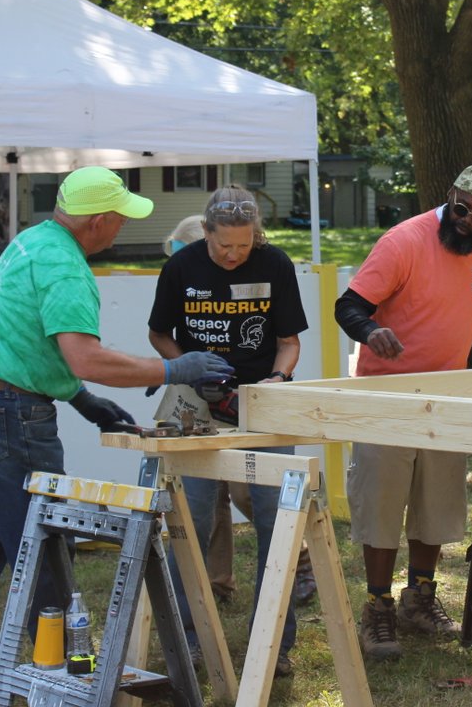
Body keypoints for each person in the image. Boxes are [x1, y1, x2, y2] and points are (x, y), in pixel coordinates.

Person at [0, 166, 231, 700]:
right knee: (45, 535)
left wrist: (80, 399)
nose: (121, 228)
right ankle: (67, 671)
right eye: (119, 219)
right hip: (8, 411)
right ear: (97, 220)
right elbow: (87, 357)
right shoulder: (67, 270)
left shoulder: (33, 241)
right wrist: (174, 369)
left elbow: (26, 337)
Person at [334, 164, 472, 661]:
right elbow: (348, 305)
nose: (467, 222)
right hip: (385, 395)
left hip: (446, 393)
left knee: (436, 502)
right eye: (461, 210)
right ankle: (378, 607)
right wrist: (371, 332)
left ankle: (420, 597)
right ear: (449, 196)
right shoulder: (404, 242)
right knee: (382, 505)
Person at [147, 187, 307, 677]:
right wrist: (187, 369)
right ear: (207, 233)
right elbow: (159, 332)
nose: (234, 255)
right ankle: (186, 637)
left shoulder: (275, 264)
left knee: (273, 522)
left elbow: (288, 342)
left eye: (244, 245)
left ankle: (275, 640)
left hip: (260, 403)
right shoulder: (181, 267)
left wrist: (276, 383)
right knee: (188, 522)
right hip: (195, 402)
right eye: (224, 247)